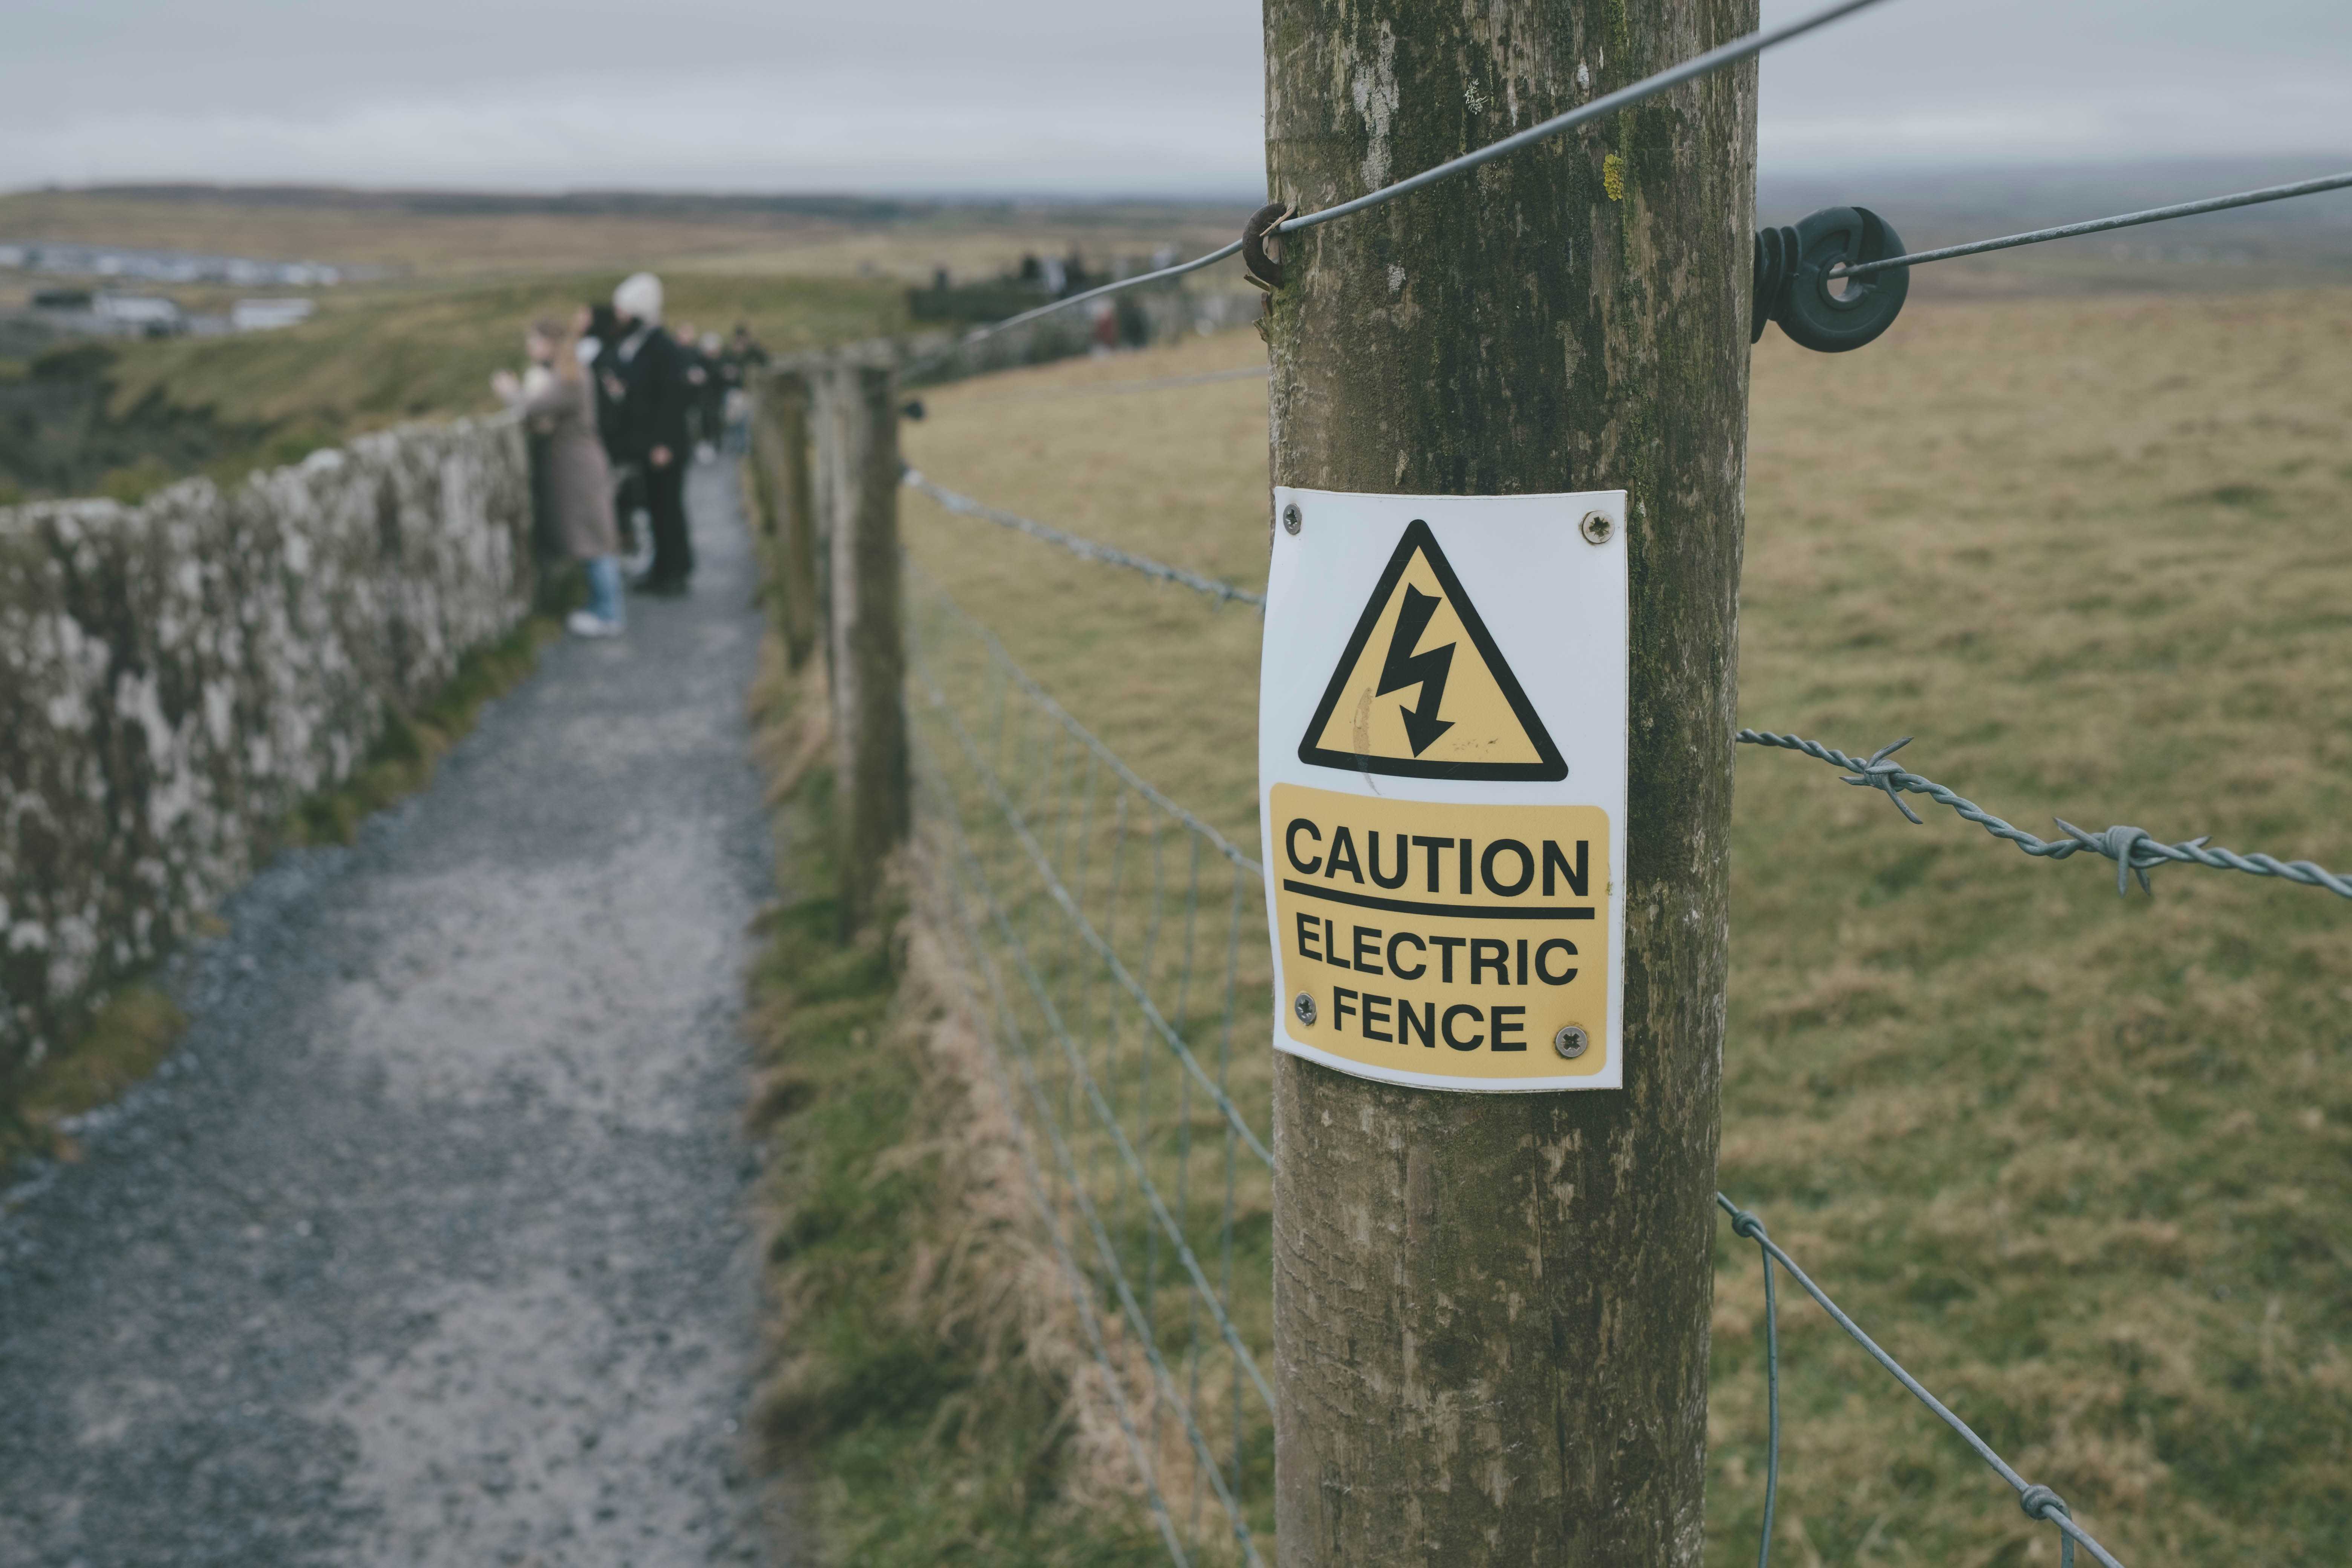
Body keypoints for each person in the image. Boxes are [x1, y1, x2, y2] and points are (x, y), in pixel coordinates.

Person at [494, 317, 626, 637]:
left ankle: (609, 614)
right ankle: (603, 607)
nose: (530, 347)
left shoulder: (570, 377)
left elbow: (531, 408)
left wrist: (509, 391)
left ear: (551, 344)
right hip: (577, 466)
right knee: (594, 538)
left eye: (535, 341)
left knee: (594, 542)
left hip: (578, 469)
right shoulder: (570, 373)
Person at [609, 272, 694, 595]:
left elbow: (672, 400)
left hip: (664, 446)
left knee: (668, 509)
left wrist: (664, 444)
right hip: (654, 444)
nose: (620, 317)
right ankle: (665, 570)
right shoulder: (648, 344)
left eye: (624, 311)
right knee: (660, 510)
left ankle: (675, 573)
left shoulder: (661, 347)